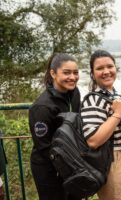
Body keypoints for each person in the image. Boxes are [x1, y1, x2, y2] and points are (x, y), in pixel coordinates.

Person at [80, 50, 121, 200]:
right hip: (111, 162)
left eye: (110, 66)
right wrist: (117, 114)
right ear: (92, 73)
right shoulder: (93, 100)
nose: (106, 72)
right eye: (99, 68)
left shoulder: (113, 94)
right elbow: (93, 140)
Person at [29, 53, 81, 200]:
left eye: (75, 72)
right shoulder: (42, 107)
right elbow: (44, 147)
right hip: (48, 168)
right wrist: (68, 165)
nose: (72, 77)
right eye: (66, 72)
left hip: (72, 163)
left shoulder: (75, 93)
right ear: (53, 73)